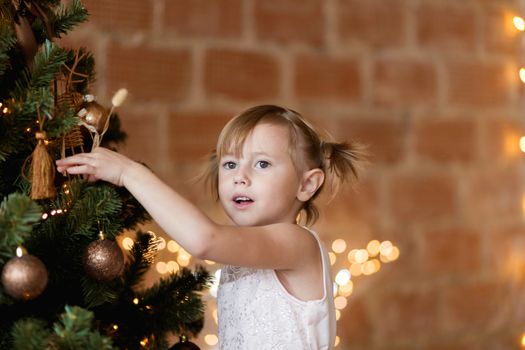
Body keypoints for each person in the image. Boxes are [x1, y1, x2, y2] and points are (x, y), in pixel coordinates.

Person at [56, 105, 365, 350]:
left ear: (306, 184)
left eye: (262, 164)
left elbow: (204, 239)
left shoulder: (297, 243)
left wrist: (128, 173)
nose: (239, 177)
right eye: (230, 164)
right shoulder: (248, 250)